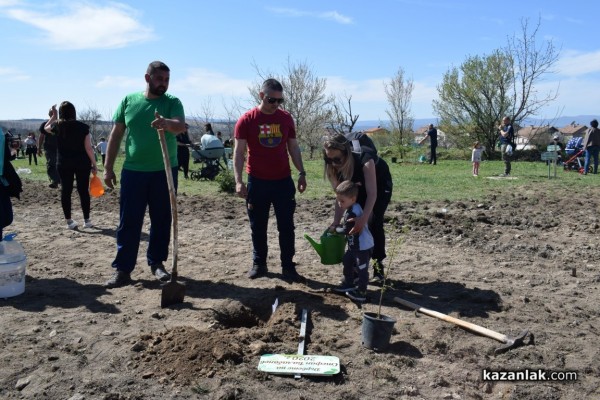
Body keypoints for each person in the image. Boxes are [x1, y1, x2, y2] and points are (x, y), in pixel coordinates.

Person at [102, 60, 186, 289]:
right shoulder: (129, 101)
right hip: (133, 172)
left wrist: (166, 123)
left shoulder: (172, 102)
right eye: (159, 79)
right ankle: (123, 269)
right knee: (129, 221)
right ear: (147, 78)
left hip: (164, 171)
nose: (164, 84)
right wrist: (108, 168)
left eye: (167, 80)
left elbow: (180, 126)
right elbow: (116, 134)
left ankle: (157, 264)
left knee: (161, 219)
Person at [234, 78, 307, 282]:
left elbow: (293, 147)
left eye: (279, 100)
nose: (275, 104)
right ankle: (259, 264)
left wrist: (302, 172)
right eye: (271, 100)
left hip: (283, 181)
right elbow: (239, 152)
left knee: (286, 226)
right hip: (257, 182)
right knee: (258, 225)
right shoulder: (247, 120)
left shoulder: (286, 119)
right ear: (261, 96)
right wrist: (239, 180)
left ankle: (288, 266)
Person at [323, 133, 393, 284]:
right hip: (354, 184)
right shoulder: (333, 166)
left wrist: (363, 219)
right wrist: (336, 222)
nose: (333, 163)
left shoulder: (365, 159)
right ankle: (355, 267)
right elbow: (340, 197)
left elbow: (372, 194)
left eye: (336, 159)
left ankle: (378, 266)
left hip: (379, 185)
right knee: (350, 220)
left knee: (372, 221)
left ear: (346, 153)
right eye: (328, 159)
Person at [44, 102, 98, 229]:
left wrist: (54, 115)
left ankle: (69, 221)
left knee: (66, 191)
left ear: (62, 113)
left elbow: (45, 128)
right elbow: (88, 148)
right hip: (82, 163)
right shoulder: (83, 127)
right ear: (74, 112)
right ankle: (87, 220)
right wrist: (94, 165)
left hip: (63, 163)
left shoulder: (57, 126)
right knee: (83, 191)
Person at [332, 180, 374, 303]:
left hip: (363, 247)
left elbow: (346, 230)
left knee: (362, 269)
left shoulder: (353, 212)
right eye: (338, 200)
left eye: (342, 201)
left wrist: (335, 229)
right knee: (347, 261)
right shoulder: (350, 208)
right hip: (353, 246)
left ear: (353, 199)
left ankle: (362, 291)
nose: (339, 204)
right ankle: (348, 282)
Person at [1, 127, 19, 240]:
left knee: (7, 217)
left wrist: (13, 149)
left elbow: (6, 156)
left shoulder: (1, 132)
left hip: (2, 180)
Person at [38, 112, 61, 188]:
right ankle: (55, 180)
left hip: (59, 147)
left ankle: (59, 179)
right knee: (51, 163)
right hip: (49, 147)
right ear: (50, 115)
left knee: (59, 164)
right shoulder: (45, 124)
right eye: (52, 114)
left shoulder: (60, 124)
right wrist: (39, 148)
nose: (54, 115)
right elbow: (41, 136)